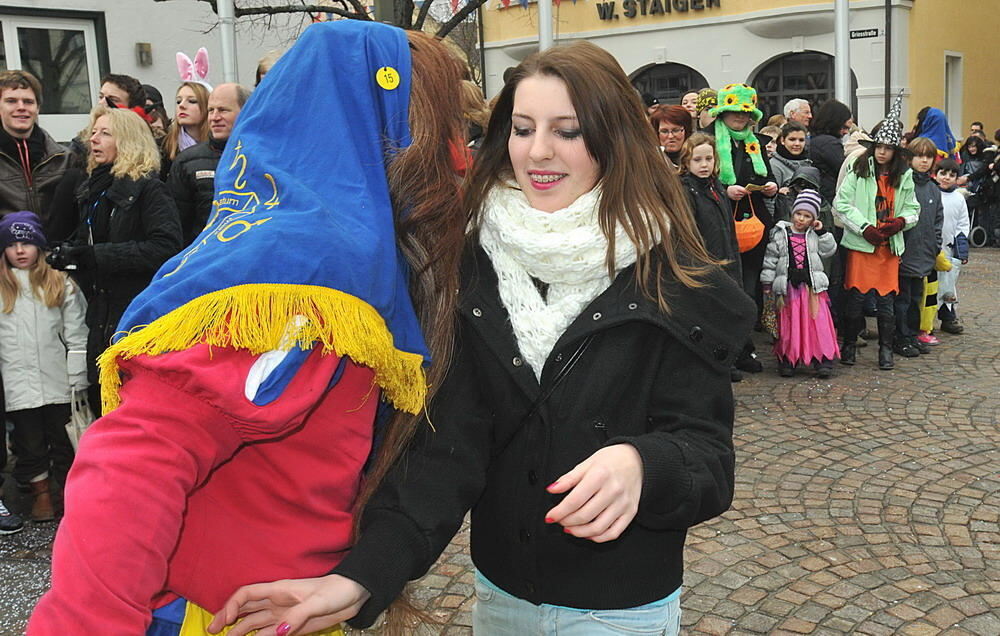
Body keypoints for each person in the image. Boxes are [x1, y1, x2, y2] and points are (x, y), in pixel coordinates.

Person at [208, 39, 755, 636]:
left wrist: (642, 464)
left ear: (613, 138)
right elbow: (449, 451)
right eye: (522, 128)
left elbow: (708, 458)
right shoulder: (472, 260)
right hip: (502, 598)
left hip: (622, 608)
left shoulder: (671, 274)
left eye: (567, 131)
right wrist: (359, 579)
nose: (538, 151)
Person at [29, 21, 467, 635]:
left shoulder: (303, 243)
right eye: (443, 126)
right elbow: (133, 464)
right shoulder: (304, 268)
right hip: (215, 616)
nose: (458, 156)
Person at [45, 105, 182, 409]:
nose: (94, 139)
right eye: (93, 132)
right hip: (99, 317)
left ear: (129, 141)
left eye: (105, 133)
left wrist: (95, 256)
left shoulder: (150, 189)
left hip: (136, 319)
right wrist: (69, 255)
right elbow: (91, 246)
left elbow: (166, 248)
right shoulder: (91, 189)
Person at [0, 211, 87, 522]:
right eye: (12, 244)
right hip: (16, 381)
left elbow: (76, 330)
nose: (20, 250)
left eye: (26, 243)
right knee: (29, 443)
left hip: (58, 380)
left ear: (39, 246)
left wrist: (77, 372)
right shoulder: (2, 287)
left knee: (64, 441)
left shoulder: (60, 283)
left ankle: (71, 496)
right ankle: (42, 497)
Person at [834, 93, 919, 370]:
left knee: (886, 301)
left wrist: (901, 222)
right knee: (856, 298)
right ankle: (848, 345)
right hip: (862, 244)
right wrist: (864, 227)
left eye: (888, 148)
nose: (882, 152)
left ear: (896, 152)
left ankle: (885, 350)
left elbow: (913, 209)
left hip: (888, 247)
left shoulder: (903, 176)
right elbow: (842, 203)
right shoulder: (859, 169)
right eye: (879, 146)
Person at [709, 83, 777, 373]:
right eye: (735, 112)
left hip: (754, 223)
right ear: (723, 113)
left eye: (745, 113)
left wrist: (772, 187)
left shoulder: (757, 142)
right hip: (721, 223)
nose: (740, 117)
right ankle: (724, 351)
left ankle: (744, 349)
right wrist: (725, 190)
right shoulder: (709, 140)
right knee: (726, 289)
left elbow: (767, 176)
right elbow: (700, 178)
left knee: (749, 289)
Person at [678, 132, 746, 383]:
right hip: (704, 262)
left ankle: (726, 359)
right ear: (687, 162)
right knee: (707, 317)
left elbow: (726, 225)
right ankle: (712, 364)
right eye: (698, 160)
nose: (704, 165)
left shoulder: (716, 186)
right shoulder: (687, 190)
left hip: (726, 256)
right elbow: (689, 232)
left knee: (725, 313)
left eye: (708, 159)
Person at [760, 189, 839, 377]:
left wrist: (822, 231)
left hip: (811, 288)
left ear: (813, 218)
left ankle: (822, 358)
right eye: (798, 214)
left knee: (817, 323)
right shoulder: (780, 233)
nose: (801, 219)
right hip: (788, 288)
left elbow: (830, 250)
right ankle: (789, 358)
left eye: (807, 216)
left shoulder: (814, 234)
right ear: (792, 212)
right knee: (790, 324)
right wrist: (767, 283)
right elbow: (770, 260)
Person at [167, 83, 251, 245]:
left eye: (223, 110)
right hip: (204, 256)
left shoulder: (264, 156)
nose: (214, 117)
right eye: (211, 110)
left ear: (246, 111)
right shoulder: (187, 162)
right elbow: (176, 225)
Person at [0, 70, 74, 223]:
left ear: (38, 108)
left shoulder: (65, 158)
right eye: (11, 101)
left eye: (28, 102)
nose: (21, 107)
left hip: (55, 246)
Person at [895, 137, 944, 357]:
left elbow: (937, 220)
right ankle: (901, 337)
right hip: (905, 251)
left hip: (924, 253)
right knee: (903, 298)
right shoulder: (903, 183)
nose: (923, 161)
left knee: (917, 298)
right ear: (909, 158)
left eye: (928, 157)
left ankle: (913, 335)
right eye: (919, 156)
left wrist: (935, 245)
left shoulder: (933, 188)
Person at [934, 158, 970, 335]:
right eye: (943, 173)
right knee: (930, 285)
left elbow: (963, 225)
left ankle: (948, 317)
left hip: (948, 248)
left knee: (947, 285)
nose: (947, 178)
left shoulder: (958, 199)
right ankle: (923, 321)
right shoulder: (931, 193)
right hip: (930, 247)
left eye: (952, 175)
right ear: (936, 174)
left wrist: (961, 249)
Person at [808, 99, 853, 207]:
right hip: (829, 198)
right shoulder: (830, 144)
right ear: (834, 123)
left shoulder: (814, 139)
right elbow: (844, 171)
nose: (846, 132)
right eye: (844, 127)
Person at [161, 81, 211, 178]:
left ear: (208, 107)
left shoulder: (221, 146)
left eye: (192, 101)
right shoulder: (163, 147)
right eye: (178, 101)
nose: (181, 106)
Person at [651, 104, 692, 170]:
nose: (670, 136)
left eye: (676, 130)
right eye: (664, 131)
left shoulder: (697, 158)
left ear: (686, 131)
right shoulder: (650, 162)